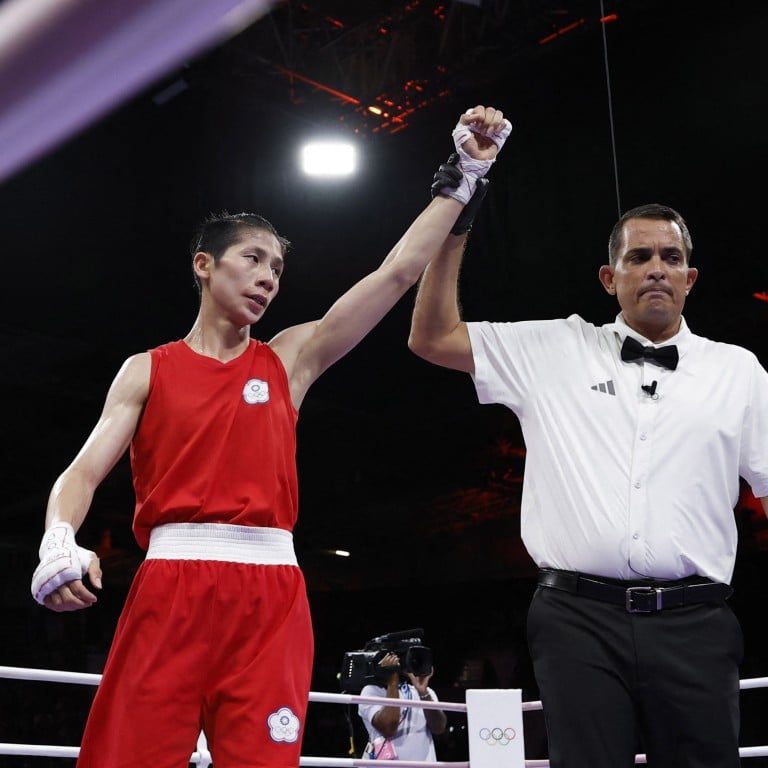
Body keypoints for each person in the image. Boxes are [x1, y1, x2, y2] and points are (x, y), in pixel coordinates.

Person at [28, 103, 511, 768]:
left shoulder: (289, 359)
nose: (267, 278)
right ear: (204, 264)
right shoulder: (148, 369)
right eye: (252, 259)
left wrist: (464, 172)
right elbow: (82, 473)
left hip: (272, 592)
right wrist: (59, 538)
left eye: (277, 270)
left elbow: (396, 273)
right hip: (171, 583)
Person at [409, 189, 768, 768]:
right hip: (578, 620)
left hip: (696, 622)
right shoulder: (555, 347)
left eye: (671, 258)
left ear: (690, 277)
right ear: (609, 277)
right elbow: (430, 337)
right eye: (639, 257)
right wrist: (459, 222)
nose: (657, 268)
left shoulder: (739, 371)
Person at [358, 651, 447, 762]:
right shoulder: (371, 691)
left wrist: (423, 692)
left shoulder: (425, 692)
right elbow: (389, 728)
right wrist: (392, 681)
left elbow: (439, 728)